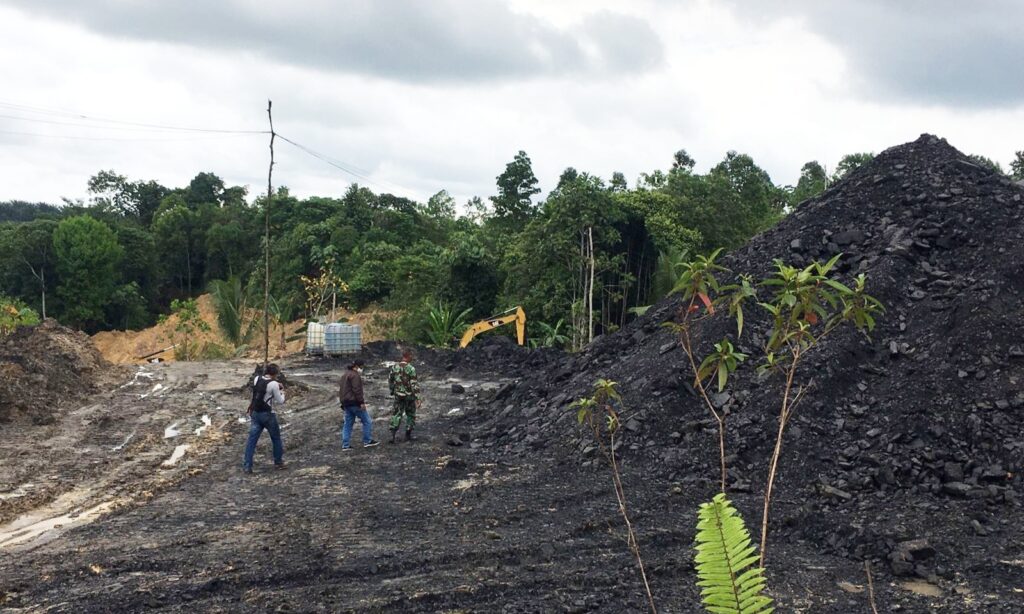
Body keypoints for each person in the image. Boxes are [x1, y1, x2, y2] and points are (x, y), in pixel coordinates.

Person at [243, 363, 286, 473]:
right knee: (276, 438)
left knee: (252, 441)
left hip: (255, 413)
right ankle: (278, 462)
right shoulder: (274, 384)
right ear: (275, 374)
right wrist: (282, 390)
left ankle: (247, 466)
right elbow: (280, 401)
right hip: (267, 414)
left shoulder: (257, 378)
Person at [339, 359, 379, 450]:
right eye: (361, 367)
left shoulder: (345, 375)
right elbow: (357, 390)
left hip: (346, 403)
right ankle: (367, 441)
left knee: (348, 424)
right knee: (367, 421)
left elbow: (341, 390)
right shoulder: (355, 376)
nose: (362, 369)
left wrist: (342, 403)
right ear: (357, 366)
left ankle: (345, 445)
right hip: (354, 403)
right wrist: (361, 402)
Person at [388, 349, 421, 443]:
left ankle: (392, 435)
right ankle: (407, 435)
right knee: (410, 414)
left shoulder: (394, 367)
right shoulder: (411, 369)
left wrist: (392, 391)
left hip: (398, 395)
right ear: (408, 356)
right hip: (409, 396)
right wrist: (418, 398)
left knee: (396, 414)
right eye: (411, 356)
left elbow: (390, 380)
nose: (412, 358)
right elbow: (414, 384)